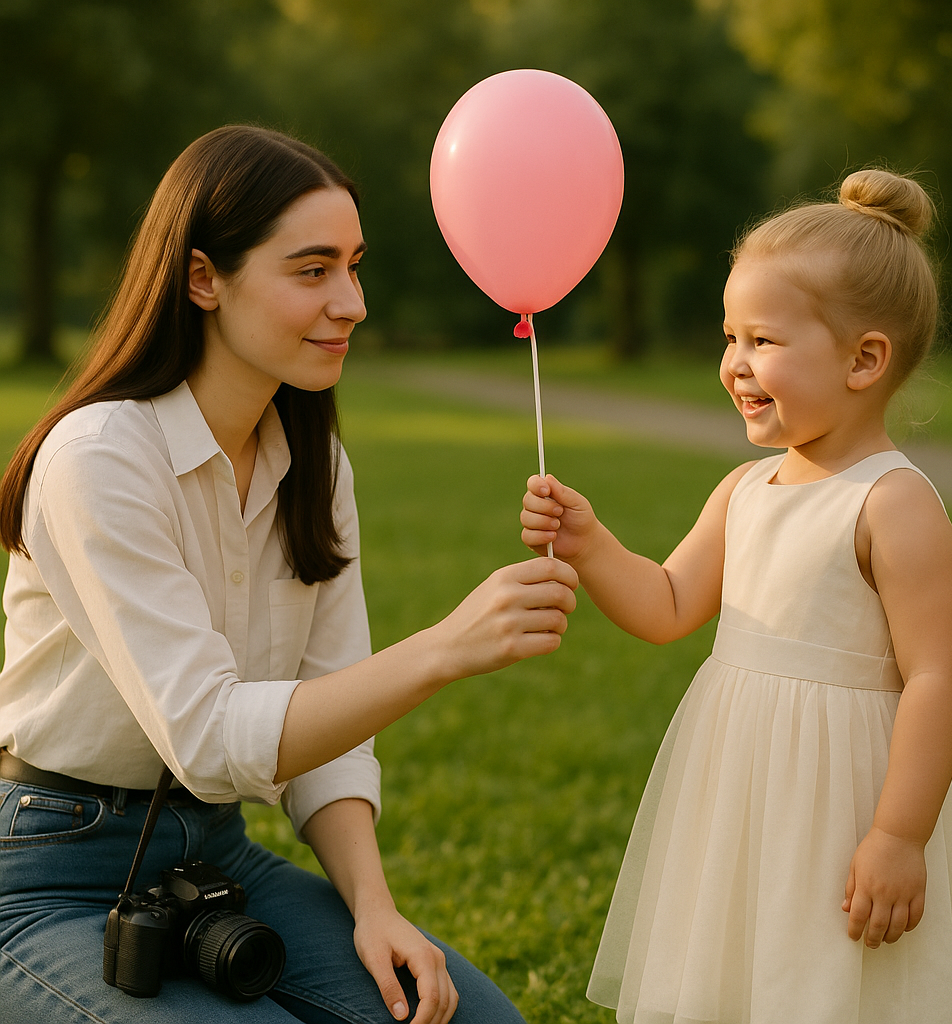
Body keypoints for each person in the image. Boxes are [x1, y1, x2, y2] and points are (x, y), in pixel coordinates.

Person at [0, 124, 579, 1024]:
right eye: (312, 271)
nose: (350, 301)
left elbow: (330, 719)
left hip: (211, 859)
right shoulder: (99, 459)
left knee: (475, 1019)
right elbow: (208, 735)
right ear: (203, 279)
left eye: (354, 265)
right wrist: (444, 649)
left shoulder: (313, 461)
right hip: (47, 873)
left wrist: (373, 907)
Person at [521, 169, 952, 1023]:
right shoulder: (745, 489)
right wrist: (592, 545)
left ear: (865, 359)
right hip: (744, 786)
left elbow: (937, 675)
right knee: (743, 961)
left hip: (852, 796)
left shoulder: (890, 503)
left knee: (835, 977)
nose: (734, 365)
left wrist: (898, 836)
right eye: (730, 337)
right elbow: (670, 603)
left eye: (764, 341)